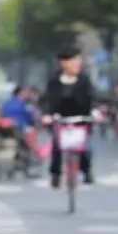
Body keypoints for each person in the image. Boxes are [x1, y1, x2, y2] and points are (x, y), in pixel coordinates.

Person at [39, 46, 96, 187]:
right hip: (60, 119)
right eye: (73, 61)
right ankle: (55, 173)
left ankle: (86, 170)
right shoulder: (54, 82)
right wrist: (46, 114)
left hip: (81, 119)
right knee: (58, 147)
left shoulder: (84, 80)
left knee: (84, 148)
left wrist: (95, 111)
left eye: (78, 60)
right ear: (63, 63)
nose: (77, 64)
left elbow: (93, 98)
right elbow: (46, 99)